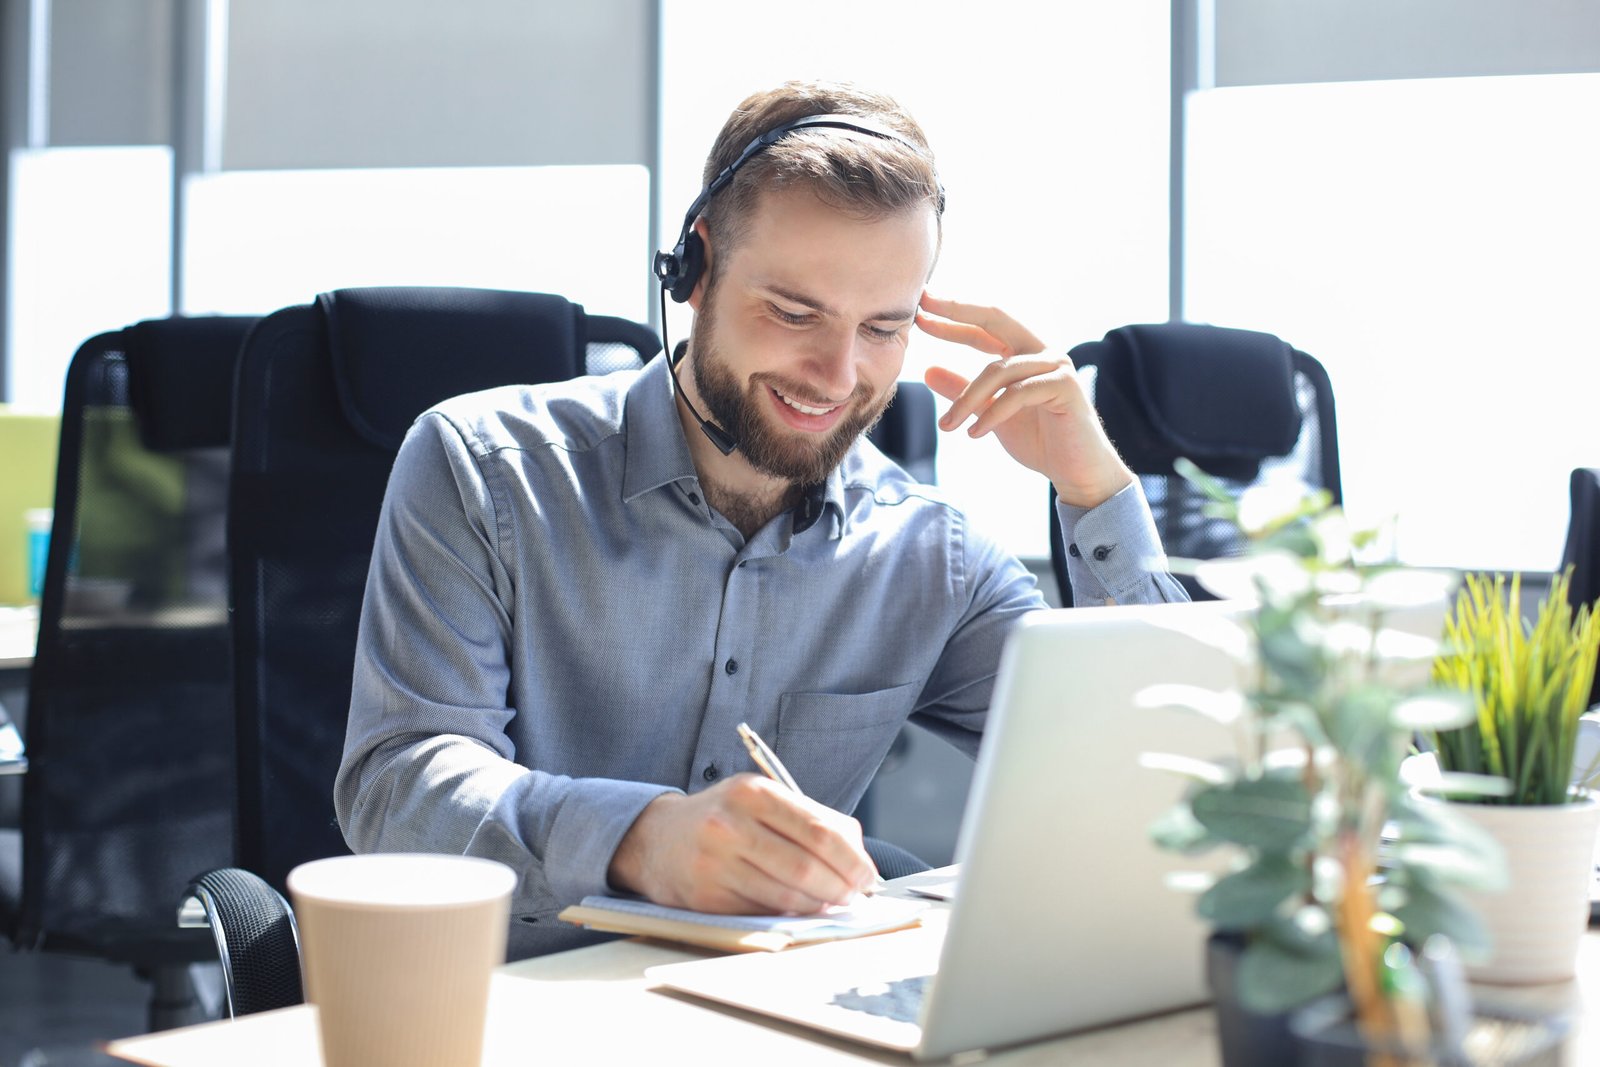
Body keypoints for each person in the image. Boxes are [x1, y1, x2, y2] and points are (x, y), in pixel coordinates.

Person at [335, 80, 1187, 959]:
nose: (837, 373)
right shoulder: (481, 469)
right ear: (694, 271)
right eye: (793, 312)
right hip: (503, 1012)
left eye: (884, 329)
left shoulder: (934, 556)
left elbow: (1173, 778)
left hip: (781, 1025)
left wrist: (1096, 486)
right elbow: (397, 788)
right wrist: (640, 838)